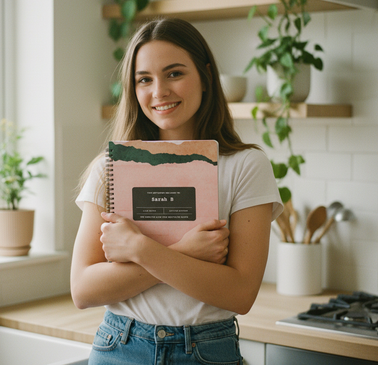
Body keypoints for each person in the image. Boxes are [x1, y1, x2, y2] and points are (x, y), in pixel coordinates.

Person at [71, 18, 283, 365]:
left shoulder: (246, 165)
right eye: (144, 79)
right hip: (119, 346)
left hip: (204, 351)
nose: (159, 92)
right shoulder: (111, 167)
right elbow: (83, 289)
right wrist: (185, 250)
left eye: (174, 74)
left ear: (206, 77)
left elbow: (240, 294)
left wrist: (139, 248)